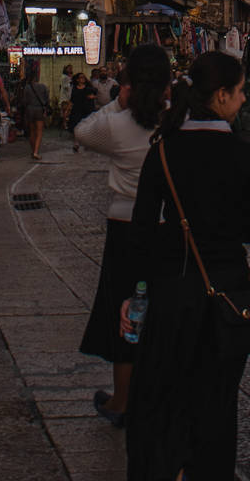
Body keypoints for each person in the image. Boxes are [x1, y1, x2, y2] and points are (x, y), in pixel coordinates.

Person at [126, 51, 250, 481]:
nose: (242, 101)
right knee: (218, 404)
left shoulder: (164, 151)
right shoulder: (244, 156)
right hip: (228, 299)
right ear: (221, 95)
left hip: (173, 292)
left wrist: (137, 293)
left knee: (167, 393)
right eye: (239, 92)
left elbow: (142, 229)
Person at [74, 45, 174, 429]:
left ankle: (122, 399)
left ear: (129, 81)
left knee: (126, 311)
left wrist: (118, 103)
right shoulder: (174, 122)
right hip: (166, 226)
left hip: (126, 225)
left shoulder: (116, 125)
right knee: (164, 309)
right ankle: (158, 394)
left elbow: (82, 132)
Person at [19, 61, 51, 161]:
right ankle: (36, 152)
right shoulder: (44, 87)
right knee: (39, 131)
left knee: (32, 131)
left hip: (29, 110)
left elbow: (24, 100)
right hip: (39, 110)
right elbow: (46, 100)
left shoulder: (27, 88)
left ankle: (33, 150)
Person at [68, 72, 98, 144]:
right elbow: (71, 100)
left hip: (87, 109)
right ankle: (76, 143)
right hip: (77, 109)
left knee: (88, 125)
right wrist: (68, 109)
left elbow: (96, 94)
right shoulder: (74, 88)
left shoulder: (89, 88)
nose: (83, 79)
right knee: (76, 126)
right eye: (81, 77)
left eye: (83, 77)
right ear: (77, 79)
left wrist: (92, 97)